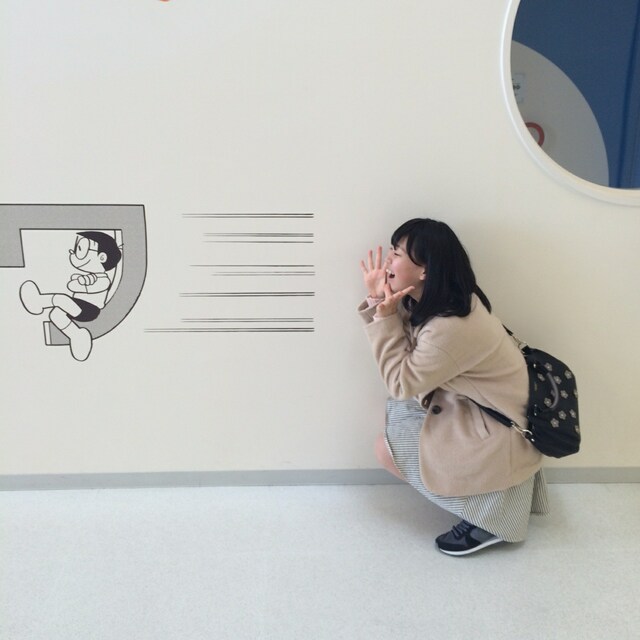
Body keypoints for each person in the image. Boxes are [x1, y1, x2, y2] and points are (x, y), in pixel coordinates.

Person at [358, 218, 548, 556]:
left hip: (499, 431)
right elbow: (412, 353)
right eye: (391, 250)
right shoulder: (448, 301)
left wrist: (383, 315)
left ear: (425, 271)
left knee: (385, 448)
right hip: (491, 413)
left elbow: (400, 382)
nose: (388, 260)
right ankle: (483, 498)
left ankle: (486, 518)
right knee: (399, 412)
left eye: (397, 253)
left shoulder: (450, 326)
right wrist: (378, 301)